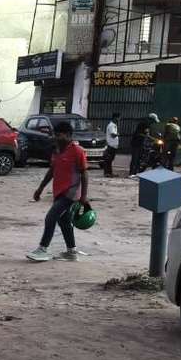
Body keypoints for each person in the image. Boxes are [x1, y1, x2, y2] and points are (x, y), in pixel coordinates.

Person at [27, 121, 90, 262]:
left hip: (71, 194)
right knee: (64, 221)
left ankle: (42, 249)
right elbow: (52, 171)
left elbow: (84, 173)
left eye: (59, 135)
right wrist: (40, 188)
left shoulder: (77, 151)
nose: (56, 137)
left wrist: (84, 196)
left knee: (51, 217)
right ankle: (71, 252)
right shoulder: (56, 151)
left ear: (68, 135)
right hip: (59, 192)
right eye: (55, 134)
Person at [103, 112, 120, 177]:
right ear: (115, 118)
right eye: (118, 118)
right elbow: (113, 135)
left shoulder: (114, 125)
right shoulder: (111, 125)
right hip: (111, 145)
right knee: (108, 159)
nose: (119, 119)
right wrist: (117, 134)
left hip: (113, 145)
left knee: (110, 160)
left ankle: (109, 173)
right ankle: (107, 173)